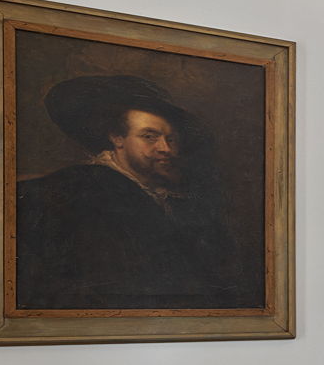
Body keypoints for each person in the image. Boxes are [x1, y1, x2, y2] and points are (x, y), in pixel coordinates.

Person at [14, 74, 249, 310]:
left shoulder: (173, 196)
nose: (165, 149)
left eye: (171, 139)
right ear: (117, 138)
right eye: (149, 137)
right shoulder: (82, 188)